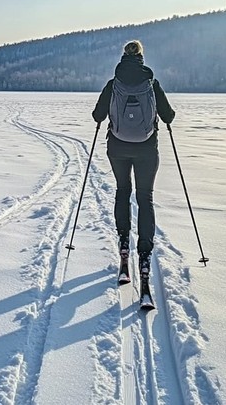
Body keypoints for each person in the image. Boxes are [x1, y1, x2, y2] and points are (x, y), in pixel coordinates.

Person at [91, 40, 175, 289]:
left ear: (123, 57)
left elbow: (97, 115)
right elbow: (168, 115)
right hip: (147, 149)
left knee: (122, 191)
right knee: (145, 198)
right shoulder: (151, 83)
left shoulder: (113, 83)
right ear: (141, 56)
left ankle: (124, 241)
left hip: (117, 148)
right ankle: (145, 252)